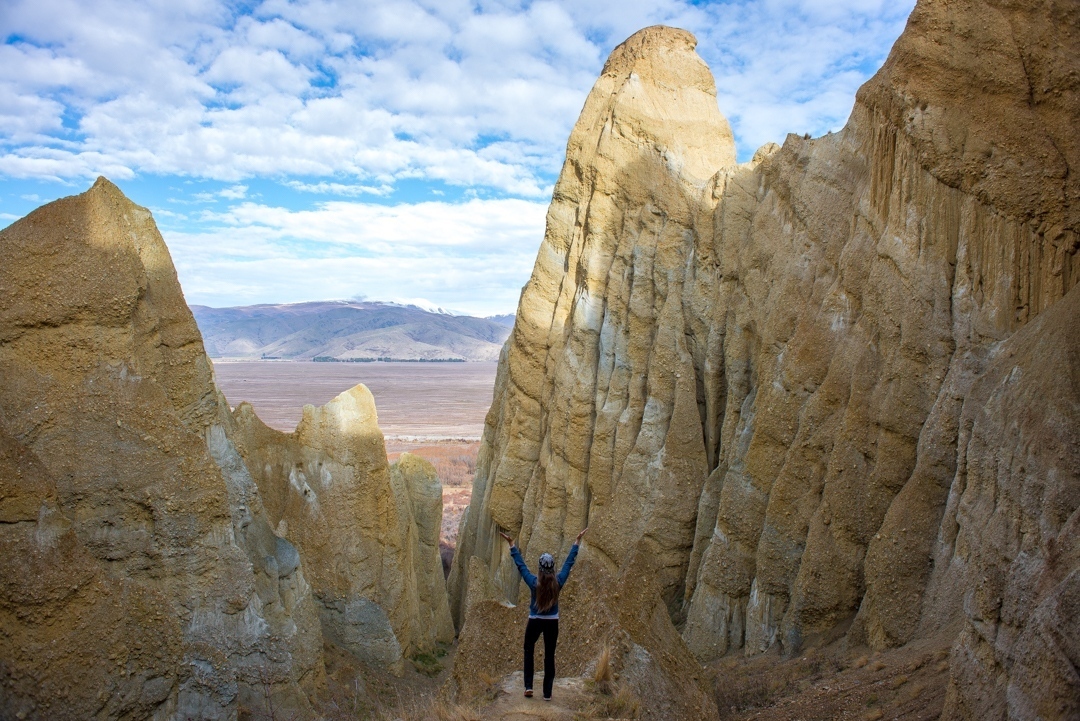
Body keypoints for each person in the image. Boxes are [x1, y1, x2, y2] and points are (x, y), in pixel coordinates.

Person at [499, 526, 588, 701]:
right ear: (553, 569)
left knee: (528, 650)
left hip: (535, 621)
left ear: (539, 569)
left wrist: (512, 546)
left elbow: (521, 566)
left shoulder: (534, 583)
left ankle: (529, 687)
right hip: (552, 622)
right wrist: (576, 543)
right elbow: (568, 564)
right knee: (549, 655)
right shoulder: (558, 582)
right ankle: (547, 693)